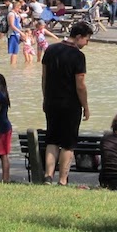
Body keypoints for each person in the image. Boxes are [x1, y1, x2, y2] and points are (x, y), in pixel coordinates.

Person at [41, 21, 93, 186]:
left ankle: (48, 176)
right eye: (87, 39)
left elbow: (44, 77)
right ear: (78, 37)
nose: (87, 43)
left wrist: (45, 98)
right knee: (68, 143)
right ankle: (62, 180)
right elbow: (80, 85)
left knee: (52, 140)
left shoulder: (50, 49)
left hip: (51, 102)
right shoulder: (78, 56)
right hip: (70, 104)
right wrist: (85, 106)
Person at [7, 1, 23, 65]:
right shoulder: (11, 14)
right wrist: (21, 33)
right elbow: (12, 25)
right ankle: (13, 65)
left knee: (16, 51)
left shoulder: (16, 14)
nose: (20, 10)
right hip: (13, 34)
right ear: (16, 7)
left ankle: (14, 65)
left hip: (16, 34)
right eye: (19, 8)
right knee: (14, 51)